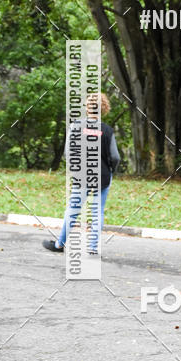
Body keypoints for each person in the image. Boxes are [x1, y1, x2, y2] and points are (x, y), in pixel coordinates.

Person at [42, 92, 120, 255]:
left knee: (73, 209)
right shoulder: (107, 130)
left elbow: (68, 153)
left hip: (82, 175)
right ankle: (92, 248)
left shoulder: (76, 126)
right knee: (97, 212)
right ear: (104, 109)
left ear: (87, 107)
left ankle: (59, 244)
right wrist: (111, 170)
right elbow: (115, 157)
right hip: (102, 176)